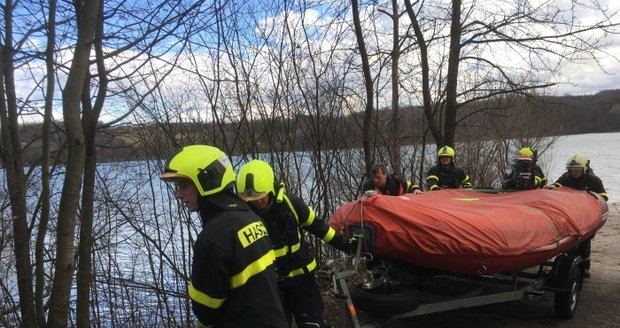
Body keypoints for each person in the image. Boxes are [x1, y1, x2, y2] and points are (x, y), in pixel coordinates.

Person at [160, 145, 287, 327]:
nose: (178, 194)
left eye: (184, 185)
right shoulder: (252, 218)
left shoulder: (212, 240)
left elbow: (205, 312)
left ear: (207, 181)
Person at [236, 159, 350, 328]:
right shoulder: (244, 215)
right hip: (271, 284)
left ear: (271, 189)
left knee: (312, 324)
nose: (257, 202)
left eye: (261, 197)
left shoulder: (291, 205)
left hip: (302, 279)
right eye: (252, 199)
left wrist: (347, 246)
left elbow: (320, 228)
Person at [545, 153, 608, 278]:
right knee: (570, 244)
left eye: (577, 169)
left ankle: (585, 268)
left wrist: (589, 197)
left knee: (584, 244)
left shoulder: (593, 180)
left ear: (584, 168)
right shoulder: (566, 177)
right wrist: (551, 187)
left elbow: (604, 196)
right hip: (571, 214)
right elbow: (558, 185)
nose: (574, 172)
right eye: (572, 169)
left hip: (586, 215)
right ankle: (569, 266)